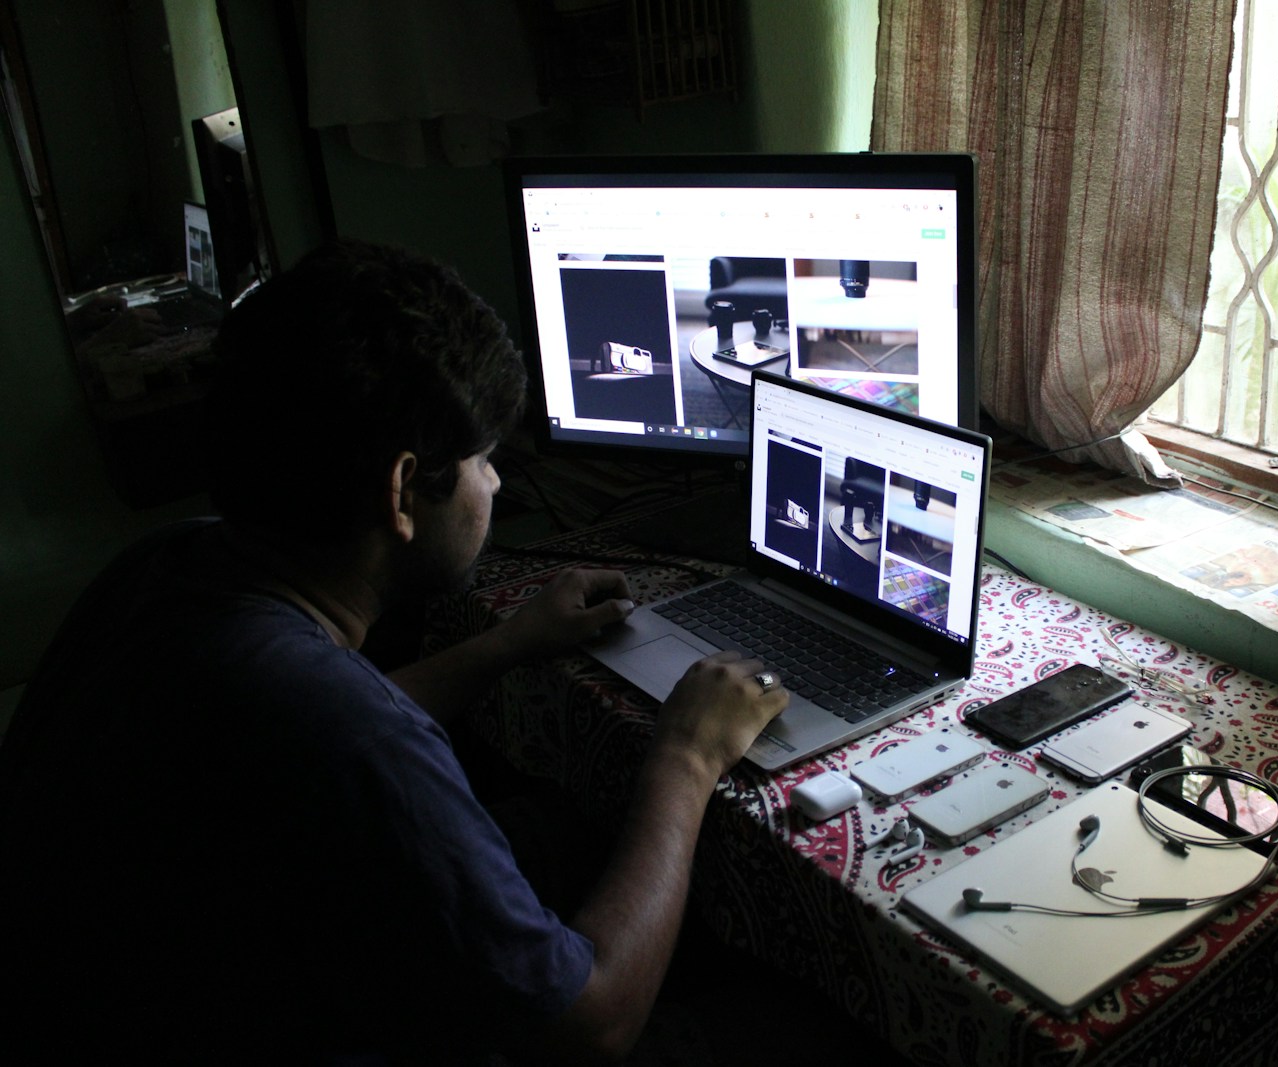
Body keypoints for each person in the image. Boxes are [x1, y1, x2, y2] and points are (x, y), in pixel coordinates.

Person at [0, 239, 787, 1064]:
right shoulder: (346, 735)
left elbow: (321, 736)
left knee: (572, 828)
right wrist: (689, 756)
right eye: (485, 460)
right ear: (403, 489)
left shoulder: (166, 568)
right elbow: (590, 1028)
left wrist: (509, 642)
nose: (495, 487)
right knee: (788, 1020)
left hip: (132, 994)